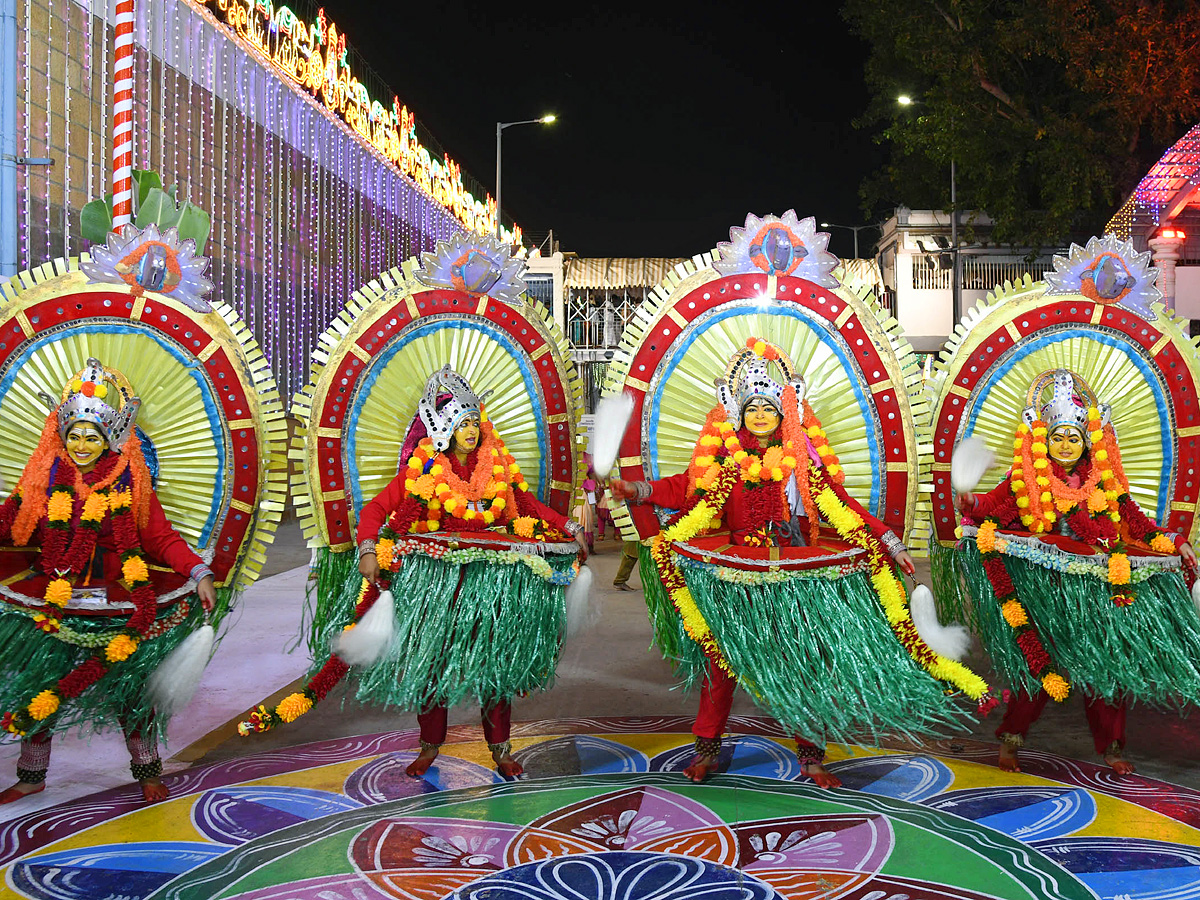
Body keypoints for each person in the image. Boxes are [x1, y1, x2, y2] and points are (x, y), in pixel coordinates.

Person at [612, 338, 990, 787]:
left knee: (806, 665)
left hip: (796, 578)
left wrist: (889, 541)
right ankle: (706, 751)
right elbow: (686, 490)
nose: (759, 416)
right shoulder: (725, 462)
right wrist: (637, 491)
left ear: (784, 415)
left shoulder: (801, 465)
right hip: (738, 578)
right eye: (752, 408)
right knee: (721, 665)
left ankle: (811, 755)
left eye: (769, 409)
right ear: (738, 413)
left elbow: (842, 505)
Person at [250, 367, 587, 779]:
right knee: (433, 664)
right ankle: (430, 745)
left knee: (494, 664)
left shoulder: (496, 467)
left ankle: (500, 749)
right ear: (444, 429)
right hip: (438, 584)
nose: (471, 430)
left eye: (475, 422)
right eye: (462, 424)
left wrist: (568, 527)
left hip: (491, 579)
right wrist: (369, 549)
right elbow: (375, 511)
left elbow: (528, 504)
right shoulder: (423, 471)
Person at [954, 369, 1200, 774]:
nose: (1065, 445)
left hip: (1099, 592)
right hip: (1047, 592)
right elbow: (991, 505)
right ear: (1044, 441)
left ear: (1087, 443)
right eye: (1057, 437)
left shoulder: (1104, 480)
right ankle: (1011, 741)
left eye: (1073, 437)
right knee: (1039, 666)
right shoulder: (1026, 479)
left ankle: (1113, 748)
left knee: (1106, 667)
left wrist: (1175, 541)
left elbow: (1138, 524)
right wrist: (970, 504)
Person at [0, 359, 216, 804]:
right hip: (54, 596)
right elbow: (10, 524)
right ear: (63, 437)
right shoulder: (43, 479)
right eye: (74, 436)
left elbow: (159, 537)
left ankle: (147, 771)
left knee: (130, 690)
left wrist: (198, 572)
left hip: (118, 597)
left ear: (108, 440)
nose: (81, 445)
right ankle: (32, 776)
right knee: (41, 682)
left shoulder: (131, 482)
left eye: (91, 437)